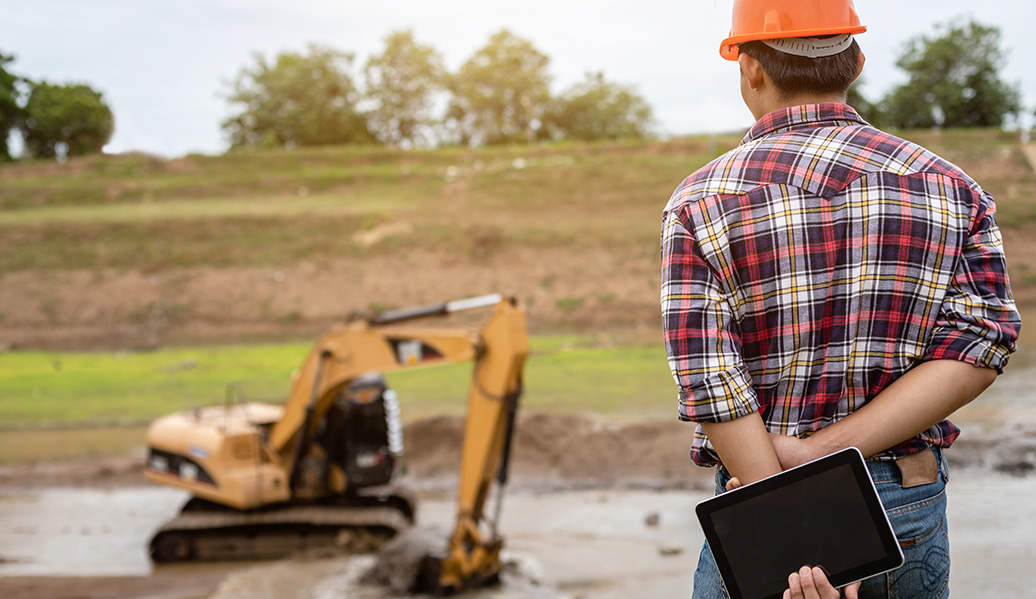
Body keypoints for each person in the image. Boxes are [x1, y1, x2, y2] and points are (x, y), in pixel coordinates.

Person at [659, 1, 1021, 598]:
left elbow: (710, 381)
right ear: (855, 60)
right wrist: (824, 454)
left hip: (761, 496)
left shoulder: (700, 201)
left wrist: (800, 531)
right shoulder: (954, 188)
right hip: (907, 496)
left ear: (749, 67)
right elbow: (981, 343)